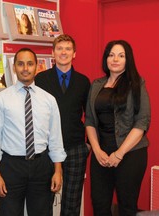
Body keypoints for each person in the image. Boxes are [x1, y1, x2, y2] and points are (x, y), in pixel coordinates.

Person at [0, 47, 67, 216]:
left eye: (30, 64)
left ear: (37, 67)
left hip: (42, 166)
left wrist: (58, 171)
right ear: (14, 67)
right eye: (21, 64)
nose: (25, 68)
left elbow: (55, 139)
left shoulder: (49, 100)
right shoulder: (0, 100)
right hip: (11, 167)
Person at [85, 40, 151, 216]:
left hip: (130, 154)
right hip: (101, 156)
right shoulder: (96, 85)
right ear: (106, 58)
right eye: (111, 55)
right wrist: (97, 151)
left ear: (127, 59)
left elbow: (142, 122)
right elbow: (90, 121)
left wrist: (119, 153)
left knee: (127, 206)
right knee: (99, 205)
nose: (115, 59)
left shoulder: (136, 84)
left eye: (121, 56)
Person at [35, 34, 91, 216]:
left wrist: (88, 144)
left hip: (75, 149)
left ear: (74, 53)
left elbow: (89, 116)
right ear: (53, 53)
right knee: (45, 200)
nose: (64, 52)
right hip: (47, 150)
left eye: (68, 48)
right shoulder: (41, 79)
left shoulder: (83, 81)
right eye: (59, 48)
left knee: (72, 202)